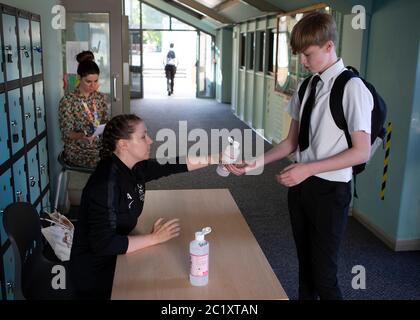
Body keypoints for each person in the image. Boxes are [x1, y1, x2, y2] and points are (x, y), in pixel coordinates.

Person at [226, 12, 373, 300]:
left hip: (331, 191)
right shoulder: (307, 86)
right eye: (299, 55)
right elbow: (291, 142)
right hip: (302, 188)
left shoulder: (351, 87)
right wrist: (254, 163)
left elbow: (361, 151)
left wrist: (307, 169)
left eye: (308, 54)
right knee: (305, 269)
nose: (302, 62)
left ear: (329, 46)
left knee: (324, 277)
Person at [69, 114, 219, 299]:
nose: (150, 140)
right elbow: (105, 245)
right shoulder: (105, 183)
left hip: (120, 253)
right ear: (123, 144)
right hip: (96, 274)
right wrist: (153, 238)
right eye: (143, 136)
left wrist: (217, 158)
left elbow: (172, 164)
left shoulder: (134, 166)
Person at [59, 59, 109, 169]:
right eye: (88, 81)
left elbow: (106, 122)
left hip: (99, 146)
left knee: (125, 156)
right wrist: (82, 136)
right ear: (78, 77)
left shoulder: (99, 97)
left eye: (95, 81)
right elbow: (66, 134)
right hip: (78, 150)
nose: (93, 85)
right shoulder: (68, 101)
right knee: (110, 164)